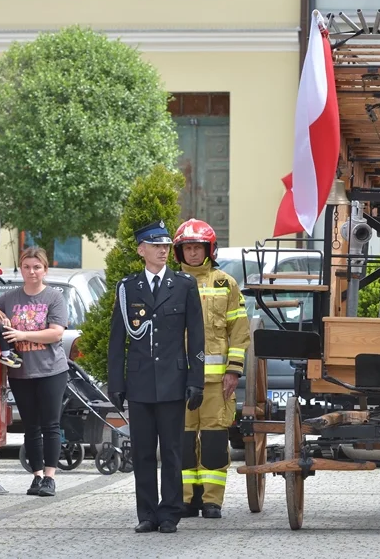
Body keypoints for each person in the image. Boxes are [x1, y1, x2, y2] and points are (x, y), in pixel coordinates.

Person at [109, 220, 206, 534]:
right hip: (138, 384)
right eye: (156, 246)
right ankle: (147, 514)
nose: (163, 251)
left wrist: (196, 379)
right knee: (142, 452)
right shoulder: (127, 288)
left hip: (173, 382)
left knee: (173, 451)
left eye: (166, 246)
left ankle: (170, 513)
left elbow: (197, 335)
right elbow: (116, 340)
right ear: (142, 250)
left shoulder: (183, 285)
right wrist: (116, 384)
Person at [173, 218, 250, 518]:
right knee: (182, 441)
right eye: (188, 248)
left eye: (198, 248)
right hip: (180, 380)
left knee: (216, 443)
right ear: (179, 253)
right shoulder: (171, 283)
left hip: (217, 382)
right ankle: (186, 499)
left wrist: (234, 370)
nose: (193, 254)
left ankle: (212, 500)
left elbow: (239, 330)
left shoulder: (225, 284)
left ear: (210, 249)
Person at [0, 246, 70, 497]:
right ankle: (36, 476)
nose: (32, 272)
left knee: (51, 424)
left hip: (51, 371)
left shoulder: (54, 297)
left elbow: (56, 333)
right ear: (21, 268)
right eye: (27, 267)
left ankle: (50, 477)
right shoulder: (8, 299)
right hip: (21, 372)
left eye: (37, 267)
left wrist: (22, 334)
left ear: (45, 270)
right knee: (30, 426)